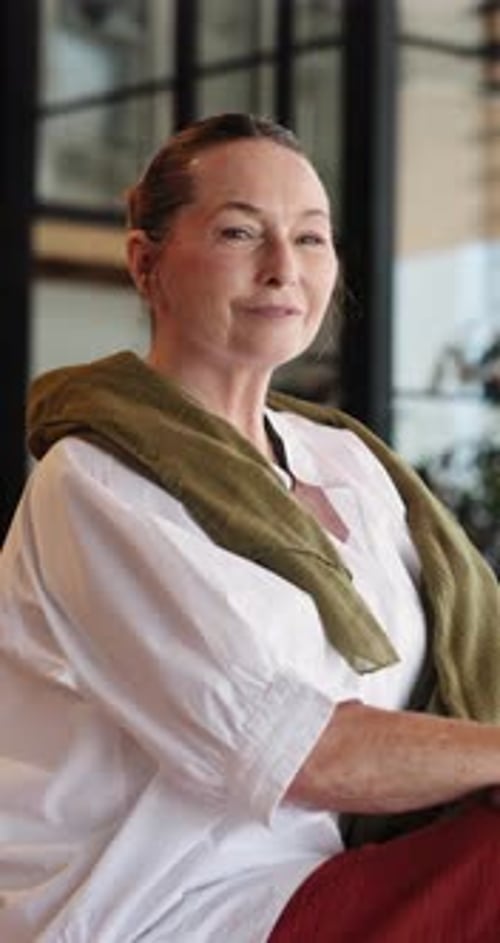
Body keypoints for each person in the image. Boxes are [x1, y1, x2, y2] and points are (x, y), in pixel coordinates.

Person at [1, 112, 500, 943]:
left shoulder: (347, 462)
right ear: (145, 262)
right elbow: (307, 754)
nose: (282, 269)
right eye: (240, 231)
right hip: (178, 908)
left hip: (333, 870)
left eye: (310, 238)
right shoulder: (98, 479)